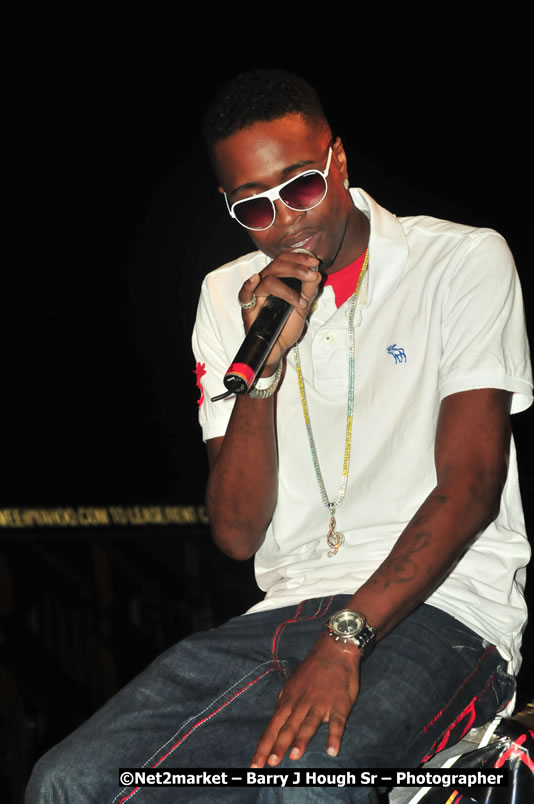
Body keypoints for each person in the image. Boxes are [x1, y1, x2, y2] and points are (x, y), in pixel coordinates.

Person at [26, 69, 532, 803]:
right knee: (71, 782)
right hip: (283, 612)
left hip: (449, 611)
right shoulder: (226, 296)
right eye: (255, 206)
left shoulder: (459, 261)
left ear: (339, 161)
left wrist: (345, 638)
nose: (286, 222)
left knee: (309, 785)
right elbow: (236, 533)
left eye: (300, 187)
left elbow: (473, 485)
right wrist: (263, 374)